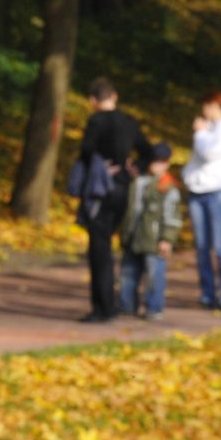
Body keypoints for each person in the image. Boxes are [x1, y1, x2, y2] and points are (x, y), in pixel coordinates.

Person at [75, 77, 151, 323]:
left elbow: (86, 151)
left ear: (92, 101)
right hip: (123, 190)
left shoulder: (96, 121)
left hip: (102, 190)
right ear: (115, 96)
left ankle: (103, 306)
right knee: (120, 245)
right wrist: (133, 168)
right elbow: (147, 151)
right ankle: (123, 300)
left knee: (100, 250)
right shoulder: (129, 121)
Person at [184, 89, 221, 311]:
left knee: (220, 244)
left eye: (207, 106)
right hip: (197, 190)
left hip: (217, 191)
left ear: (216, 106)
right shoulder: (208, 127)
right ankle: (207, 293)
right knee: (202, 246)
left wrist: (200, 134)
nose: (203, 111)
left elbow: (211, 153)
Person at [119, 142, 182, 320]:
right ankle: (126, 305)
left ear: (167, 163)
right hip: (134, 235)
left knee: (155, 275)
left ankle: (154, 307)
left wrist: (167, 239)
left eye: (161, 162)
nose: (156, 165)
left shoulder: (167, 186)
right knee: (127, 273)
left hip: (154, 239)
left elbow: (172, 216)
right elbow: (130, 209)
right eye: (154, 161)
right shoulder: (138, 181)